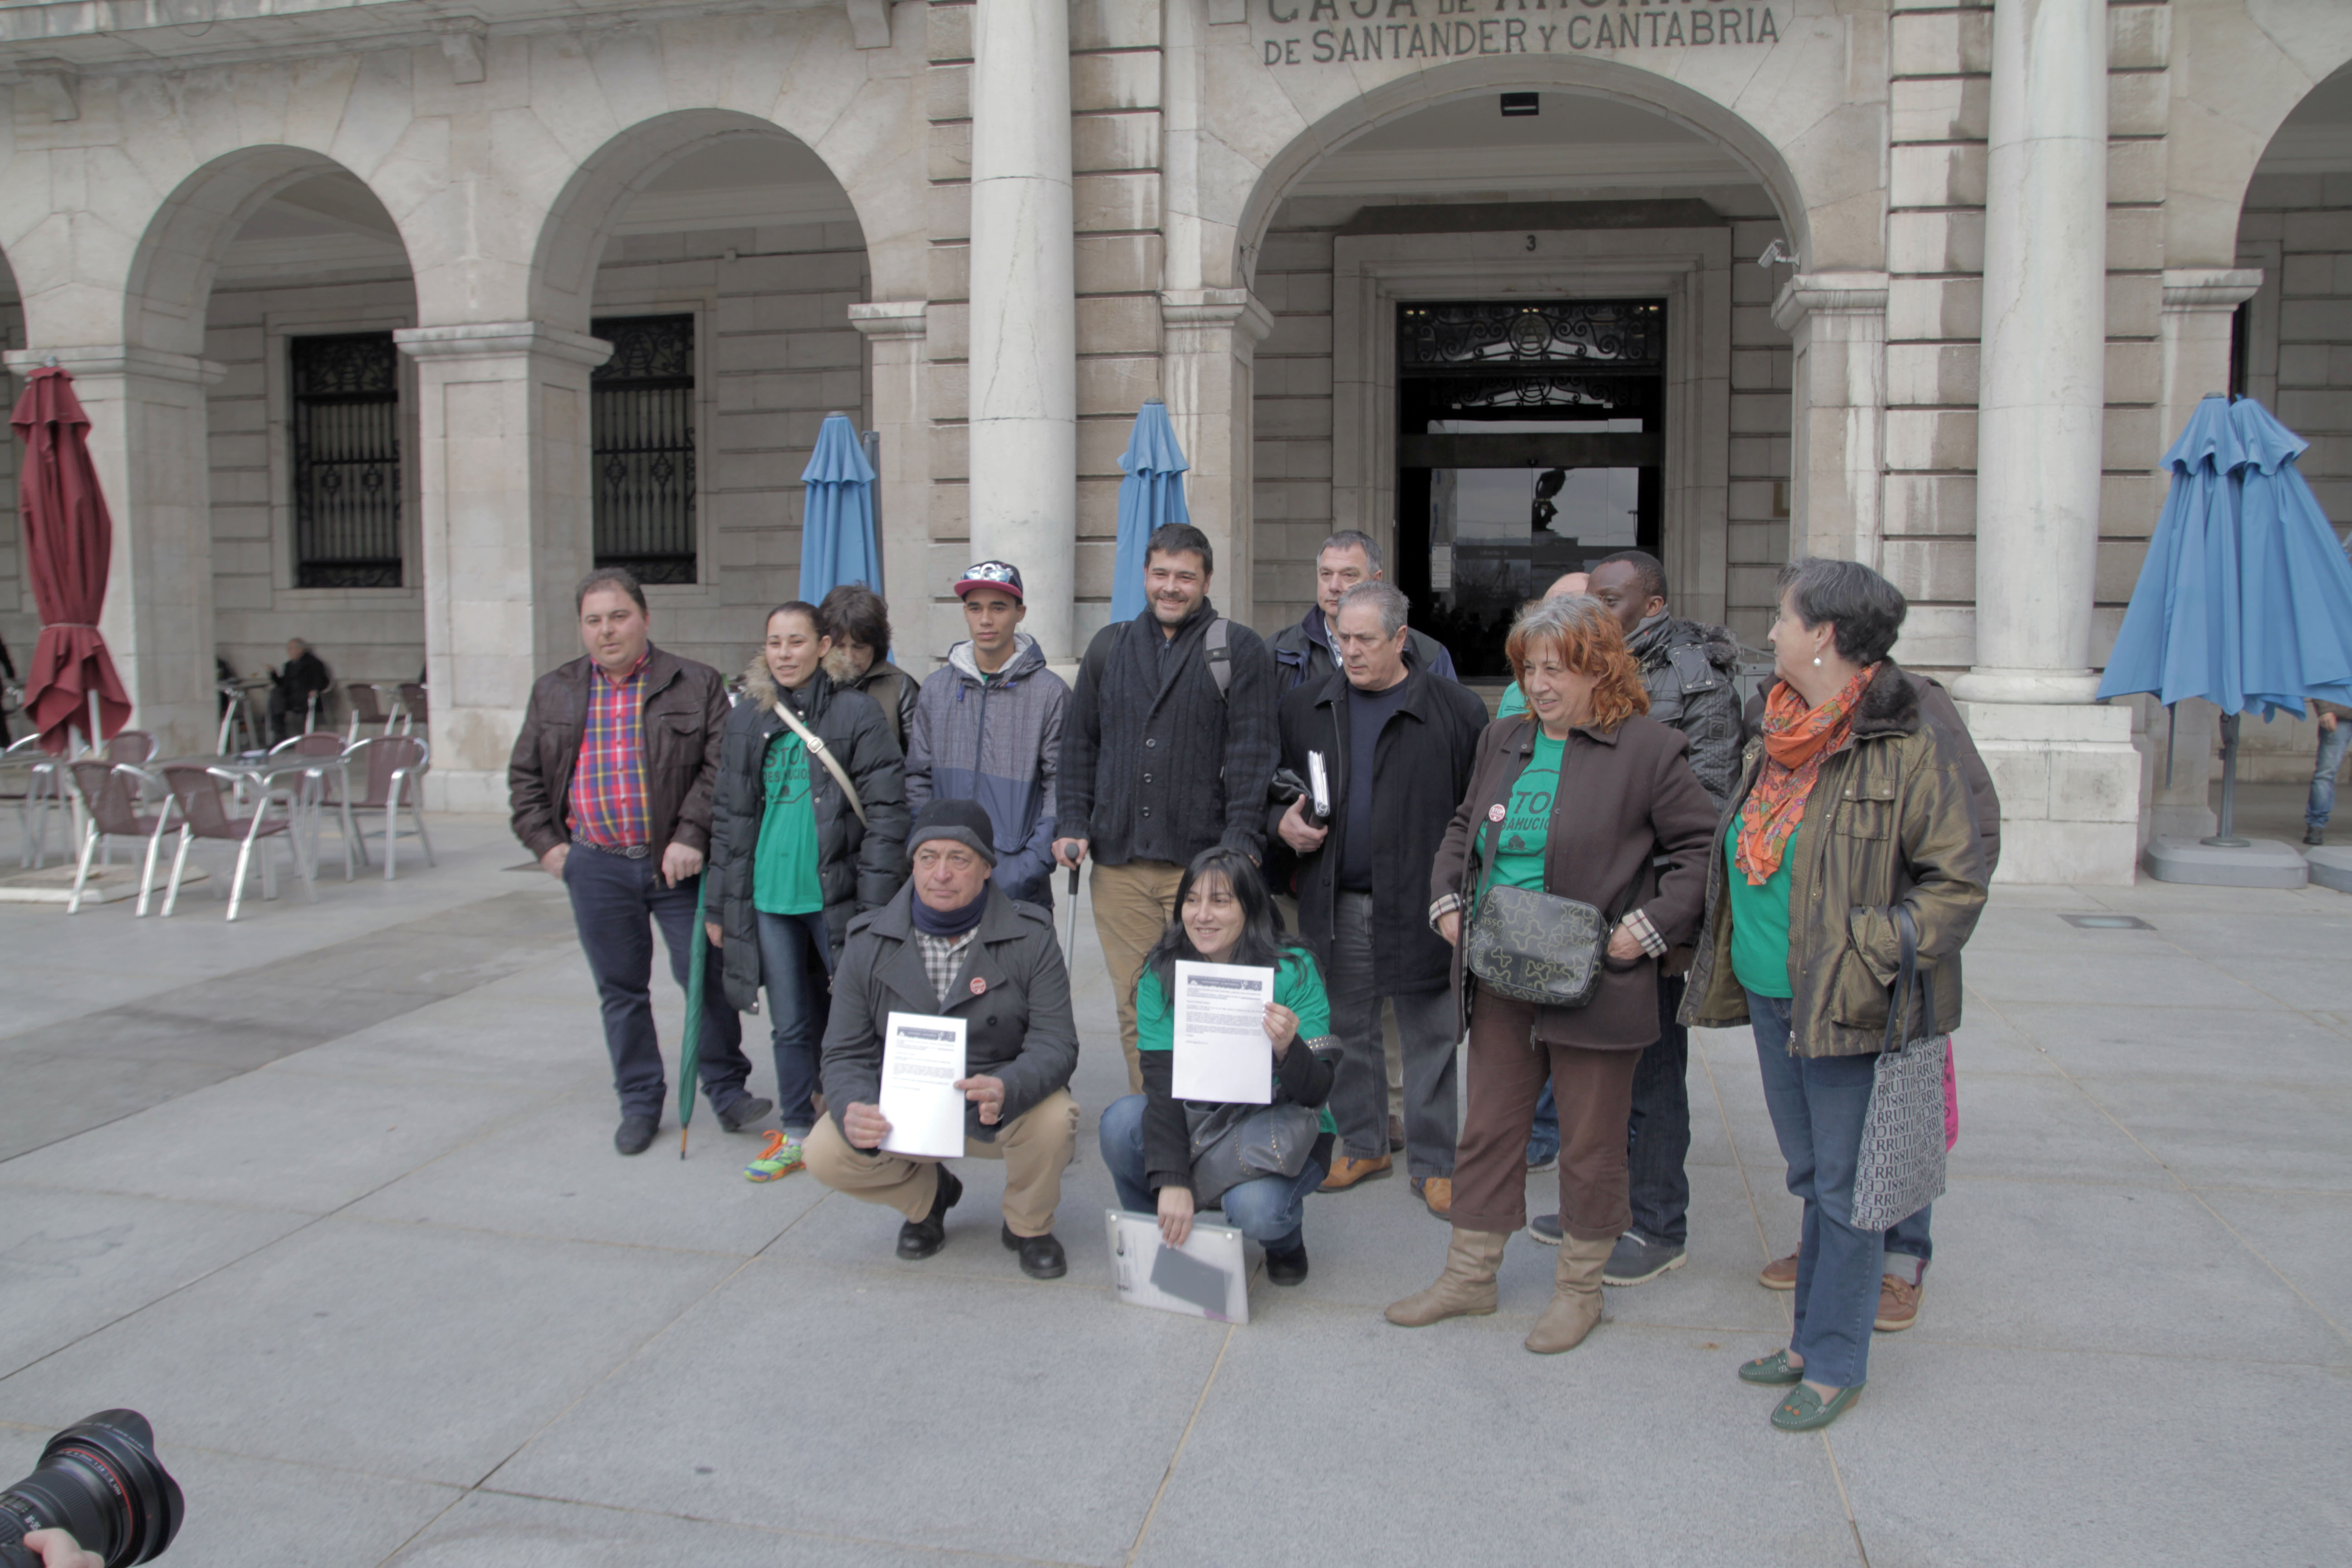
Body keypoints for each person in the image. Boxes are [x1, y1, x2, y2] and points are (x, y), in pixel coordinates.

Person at [1684, 557, 1990, 1431]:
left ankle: (1833, 1360)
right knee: (1814, 1176)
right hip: (1773, 991)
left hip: (1849, 998)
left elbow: (1955, 882)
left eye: (1781, 618)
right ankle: (1805, 1337)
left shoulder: (1905, 738)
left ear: (1822, 634)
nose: (1769, 631)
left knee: (1848, 1191)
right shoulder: (1771, 724)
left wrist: (1874, 946)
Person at [1387, 593, 1716, 1355]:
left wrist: (1647, 928)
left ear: (1598, 668)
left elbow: (1701, 852)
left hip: (1596, 980)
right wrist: (1446, 899)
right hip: (1501, 972)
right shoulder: (1502, 738)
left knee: (1590, 1145)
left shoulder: (1647, 749)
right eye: (1529, 667)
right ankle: (1468, 1276)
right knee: (1489, 1129)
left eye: (1556, 668)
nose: (1538, 684)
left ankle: (1578, 1291)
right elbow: (1463, 828)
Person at [1525, 549, 1746, 1286]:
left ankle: (1656, 1226)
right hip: (1579, 911)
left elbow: (1704, 815)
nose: (1594, 607)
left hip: (1648, 920)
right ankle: (1597, 1208)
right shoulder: (1582, 668)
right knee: (1591, 1074)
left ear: (1650, 606)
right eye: (1588, 594)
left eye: (1610, 598)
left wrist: (1658, 915)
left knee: (1649, 1079)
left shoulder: (1694, 680)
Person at [510, 568, 766, 1156]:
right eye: (594, 621)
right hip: (596, 866)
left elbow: (722, 768)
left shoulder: (694, 683)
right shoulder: (555, 691)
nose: (607, 631)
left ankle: (727, 1090)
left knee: (703, 976)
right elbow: (524, 779)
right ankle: (640, 1102)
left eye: (618, 616)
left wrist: (692, 833)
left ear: (645, 619)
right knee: (621, 990)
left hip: (676, 868)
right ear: (581, 628)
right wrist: (550, 848)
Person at [1271, 581, 1485, 1212]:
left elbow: (1475, 816)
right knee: (1347, 1031)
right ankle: (1363, 1145)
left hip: (1425, 905)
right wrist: (1280, 822)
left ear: (1401, 639)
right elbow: (1272, 789)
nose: (1351, 651)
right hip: (1336, 899)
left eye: (1366, 639)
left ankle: (1435, 1161)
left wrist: (1460, 896)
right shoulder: (1305, 707)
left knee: (1430, 1038)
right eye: (1342, 638)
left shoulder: (1457, 711)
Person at [804, 799, 1081, 1278]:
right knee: (824, 1150)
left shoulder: (1030, 937)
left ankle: (1028, 1224)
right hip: (904, 1107)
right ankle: (927, 1200)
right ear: (913, 864)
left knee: (1056, 1117)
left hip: (992, 1101)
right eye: (928, 857)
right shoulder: (867, 942)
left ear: (987, 869)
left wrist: (1009, 1088)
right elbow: (844, 1051)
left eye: (959, 859)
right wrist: (855, 1105)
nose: (941, 873)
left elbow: (1057, 1043)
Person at [1056, 522, 1279, 1093]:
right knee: (1139, 1007)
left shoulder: (1238, 648)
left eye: (1185, 576)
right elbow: (1081, 744)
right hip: (1120, 866)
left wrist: (1240, 842)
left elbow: (1254, 751)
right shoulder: (1110, 647)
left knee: (1211, 1005)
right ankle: (1156, 1123)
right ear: (1146, 576)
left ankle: (1215, 1116)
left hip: (1203, 869)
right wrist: (1073, 823)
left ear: (1206, 579)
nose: (1171, 587)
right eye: (1161, 574)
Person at [707, 600, 911, 1181]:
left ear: (824, 647)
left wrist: (874, 907)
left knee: (860, 1015)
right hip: (771, 899)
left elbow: (888, 817)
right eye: (774, 643)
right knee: (790, 1022)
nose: (784, 654)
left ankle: (865, 1119)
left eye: (796, 642)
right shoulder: (748, 718)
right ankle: (797, 1127)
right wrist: (723, 903)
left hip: (838, 897)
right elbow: (730, 819)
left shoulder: (857, 715)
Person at [1098, 848, 1338, 1284]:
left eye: (1220, 901)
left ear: (1250, 906)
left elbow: (1317, 1093)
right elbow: (1161, 1085)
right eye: (1191, 900)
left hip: (1277, 1123)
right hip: (1197, 1115)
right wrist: (1170, 1180)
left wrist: (1289, 1049)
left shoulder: (1294, 970)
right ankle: (1156, 1232)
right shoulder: (1163, 971)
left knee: (1256, 1210)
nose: (1202, 915)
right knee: (1119, 1123)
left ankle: (1283, 1239)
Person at [904, 560, 1068, 908]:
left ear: (1019, 612)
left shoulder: (1050, 693)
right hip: (945, 879)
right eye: (975, 608)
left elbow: (1060, 786)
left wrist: (1028, 867)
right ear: (965, 612)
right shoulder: (936, 689)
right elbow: (918, 777)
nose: (986, 620)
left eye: (999, 607)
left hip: (1019, 885)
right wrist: (929, 854)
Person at [1270, 529, 1457, 692]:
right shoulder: (1280, 651)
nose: (1334, 586)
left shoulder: (1429, 655)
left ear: (1376, 580)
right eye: (1326, 574)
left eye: (1349, 575)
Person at [817, 583, 919, 755]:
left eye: (860, 647)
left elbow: (920, 762)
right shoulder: (810, 683)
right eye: (840, 647)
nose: (849, 658)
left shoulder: (900, 686)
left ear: (875, 646)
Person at [1494, 571, 1590, 719]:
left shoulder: (1629, 732)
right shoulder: (1514, 694)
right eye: (1529, 668)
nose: (1537, 687)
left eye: (1568, 610)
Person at [267, 637, 333, 742]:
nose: (289, 652)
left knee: (277, 703)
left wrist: (315, 690)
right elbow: (283, 684)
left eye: (291, 648)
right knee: (275, 694)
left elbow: (321, 680)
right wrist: (273, 674)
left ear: (300, 650)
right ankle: (279, 736)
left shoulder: (314, 663)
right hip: (290, 697)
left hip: (305, 697)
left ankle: (282, 735)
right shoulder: (289, 666)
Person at [2306, 699, 2348, 847]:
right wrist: (2324, 709)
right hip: (2339, 714)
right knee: (2326, 773)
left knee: (2325, 774)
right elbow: (2319, 677)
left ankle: (2316, 824)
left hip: (2339, 712)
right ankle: (2316, 826)